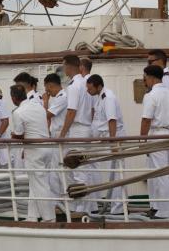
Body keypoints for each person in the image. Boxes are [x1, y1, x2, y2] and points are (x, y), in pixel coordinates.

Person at [140, 65, 169, 219]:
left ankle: (164, 211)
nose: (144, 81)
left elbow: (146, 120)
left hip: (157, 135)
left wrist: (142, 141)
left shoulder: (151, 96)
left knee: (160, 174)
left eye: (145, 78)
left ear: (151, 78)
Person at [10, 85, 57, 222]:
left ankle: (49, 219)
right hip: (47, 148)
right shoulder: (38, 106)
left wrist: (12, 135)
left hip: (34, 151)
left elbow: (19, 134)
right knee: (35, 183)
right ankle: (32, 216)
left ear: (13, 98)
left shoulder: (18, 112)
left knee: (40, 185)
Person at [58, 54, 97, 212]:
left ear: (69, 66)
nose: (64, 69)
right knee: (85, 168)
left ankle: (82, 207)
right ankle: (90, 205)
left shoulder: (74, 86)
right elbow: (92, 110)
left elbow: (71, 111)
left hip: (78, 129)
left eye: (64, 66)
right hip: (87, 128)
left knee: (78, 169)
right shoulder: (86, 83)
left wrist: (62, 133)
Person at [88, 74, 126, 214]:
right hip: (107, 140)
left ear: (98, 86)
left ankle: (118, 208)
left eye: (90, 88)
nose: (88, 91)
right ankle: (115, 206)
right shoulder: (100, 97)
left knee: (117, 174)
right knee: (112, 174)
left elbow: (112, 120)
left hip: (113, 140)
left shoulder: (108, 98)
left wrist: (113, 143)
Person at [43, 72, 68, 197]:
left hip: (60, 136)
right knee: (55, 171)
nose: (47, 92)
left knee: (59, 170)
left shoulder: (62, 97)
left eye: (47, 88)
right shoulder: (59, 97)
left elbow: (47, 115)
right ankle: (58, 199)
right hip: (55, 136)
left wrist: (45, 101)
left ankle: (62, 198)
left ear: (50, 86)